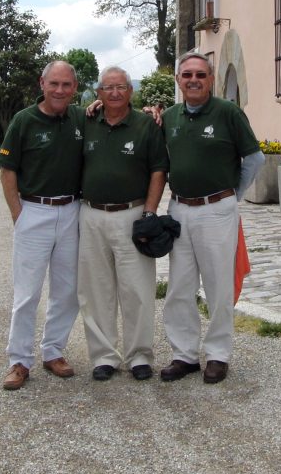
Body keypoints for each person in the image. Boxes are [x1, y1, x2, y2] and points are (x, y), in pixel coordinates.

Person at [159, 53, 264, 384]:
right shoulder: (170, 117)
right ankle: (184, 355)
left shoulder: (228, 113)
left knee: (218, 284)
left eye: (200, 75)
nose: (194, 80)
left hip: (216, 210)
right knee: (179, 286)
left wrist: (232, 195)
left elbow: (254, 159)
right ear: (178, 80)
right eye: (187, 74)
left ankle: (218, 354)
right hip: (179, 209)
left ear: (211, 79)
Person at [78, 66, 168, 382]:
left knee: (138, 288)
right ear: (98, 93)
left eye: (121, 87)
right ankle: (104, 356)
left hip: (133, 213)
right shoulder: (86, 122)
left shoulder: (147, 124)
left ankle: (139, 355)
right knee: (96, 289)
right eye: (108, 88)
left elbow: (159, 170)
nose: (114, 93)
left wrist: (150, 213)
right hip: (91, 214)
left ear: (131, 91)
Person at [0, 60, 84, 391]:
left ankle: (53, 351)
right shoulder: (24, 120)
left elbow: (111, 113)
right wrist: (18, 214)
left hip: (72, 210)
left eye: (66, 84)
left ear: (75, 88)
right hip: (34, 210)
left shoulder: (80, 118)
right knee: (27, 293)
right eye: (54, 84)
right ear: (42, 84)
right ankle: (19, 360)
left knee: (67, 290)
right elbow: (8, 170)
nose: (60, 90)